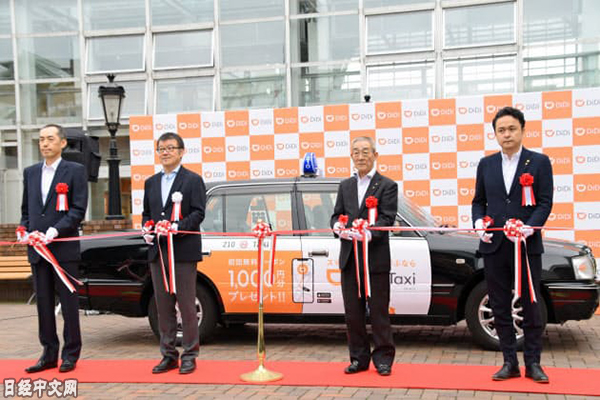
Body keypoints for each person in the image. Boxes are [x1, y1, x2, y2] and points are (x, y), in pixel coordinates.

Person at [472, 106, 553, 383]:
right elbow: (478, 201)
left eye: (511, 129)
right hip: (494, 246)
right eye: (501, 130)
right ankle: (509, 362)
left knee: (531, 305)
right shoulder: (486, 164)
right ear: (495, 134)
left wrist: (530, 227)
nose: (506, 134)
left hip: (526, 246)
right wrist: (478, 223)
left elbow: (544, 202)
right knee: (499, 305)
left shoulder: (539, 162)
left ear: (522, 130)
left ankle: (533, 363)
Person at [19, 124, 88, 373]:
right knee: (44, 304)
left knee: (68, 304)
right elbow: (26, 210)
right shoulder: (31, 172)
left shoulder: (75, 171)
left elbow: (78, 209)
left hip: (63, 249)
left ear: (63, 142)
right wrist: (23, 230)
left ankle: (70, 354)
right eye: (41, 139)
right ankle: (48, 354)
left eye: (50, 139)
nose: (45, 143)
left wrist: (55, 231)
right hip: (38, 250)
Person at [330, 136, 398, 376]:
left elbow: (387, 218)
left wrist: (368, 233)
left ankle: (383, 359)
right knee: (353, 313)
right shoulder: (345, 186)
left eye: (366, 151)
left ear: (375, 155)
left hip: (375, 259)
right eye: (356, 152)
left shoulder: (387, 185)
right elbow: (337, 215)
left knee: (378, 312)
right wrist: (338, 227)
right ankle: (358, 358)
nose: (361, 156)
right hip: (350, 258)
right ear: (351, 156)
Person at [141, 132, 206, 374]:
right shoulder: (151, 182)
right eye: (161, 148)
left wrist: (176, 227)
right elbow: (147, 214)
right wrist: (148, 229)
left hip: (182, 251)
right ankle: (168, 354)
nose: (165, 152)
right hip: (158, 252)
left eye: (170, 148)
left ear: (181, 152)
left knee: (186, 305)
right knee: (163, 306)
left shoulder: (192, 180)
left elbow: (198, 213)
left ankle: (190, 354)